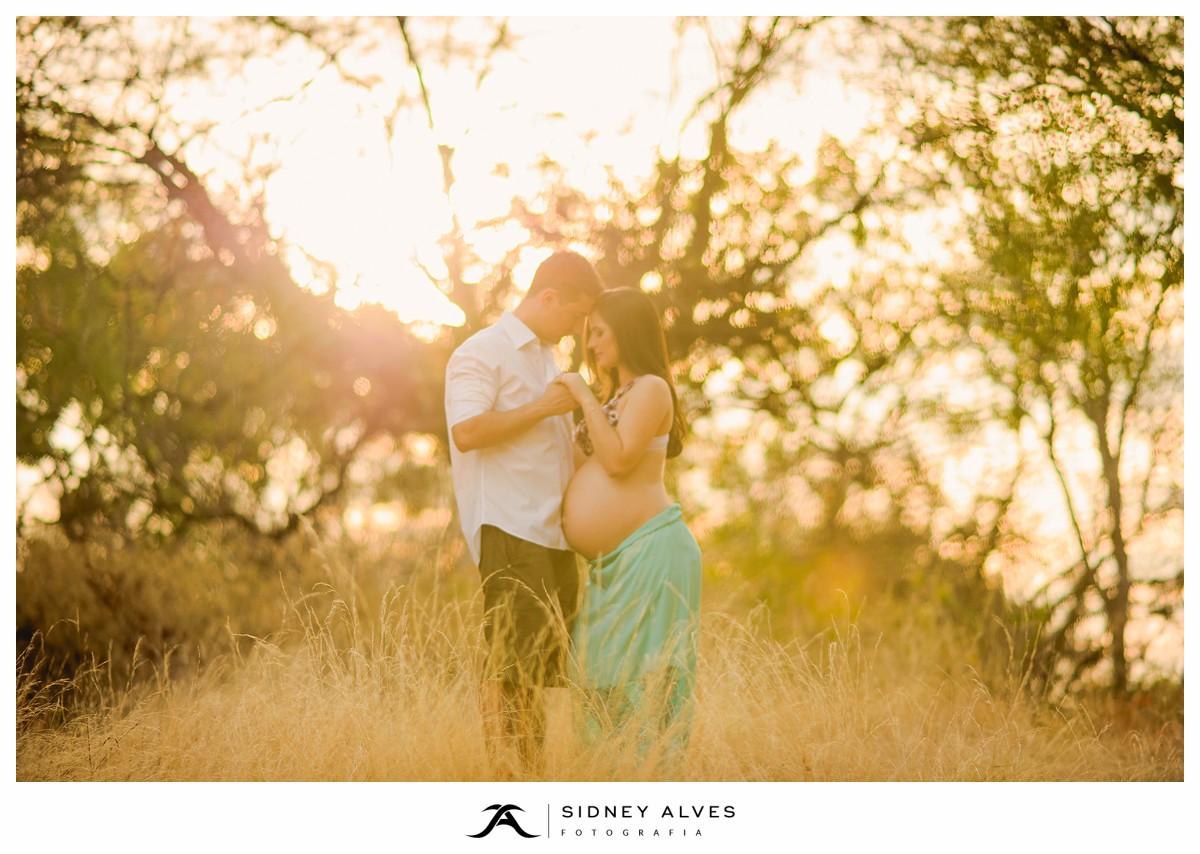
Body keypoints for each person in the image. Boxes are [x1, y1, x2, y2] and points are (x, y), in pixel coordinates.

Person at [444, 250, 604, 773]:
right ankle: (507, 785)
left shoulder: (546, 359)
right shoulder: (481, 352)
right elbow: (467, 432)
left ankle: (529, 777)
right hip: (509, 527)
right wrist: (544, 408)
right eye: (576, 316)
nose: (579, 328)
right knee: (508, 667)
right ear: (549, 296)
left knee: (535, 671)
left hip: (552, 536)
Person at [553, 286, 701, 760]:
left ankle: (649, 790)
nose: (591, 345)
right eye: (588, 335)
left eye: (598, 332)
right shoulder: (613, 396)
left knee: (645, 685)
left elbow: (617, 462)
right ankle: (609, 781)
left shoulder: (652, 389)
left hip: (651, 552)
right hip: (610, 567)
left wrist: (579, 391)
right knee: (595, 678)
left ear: (627, 329)